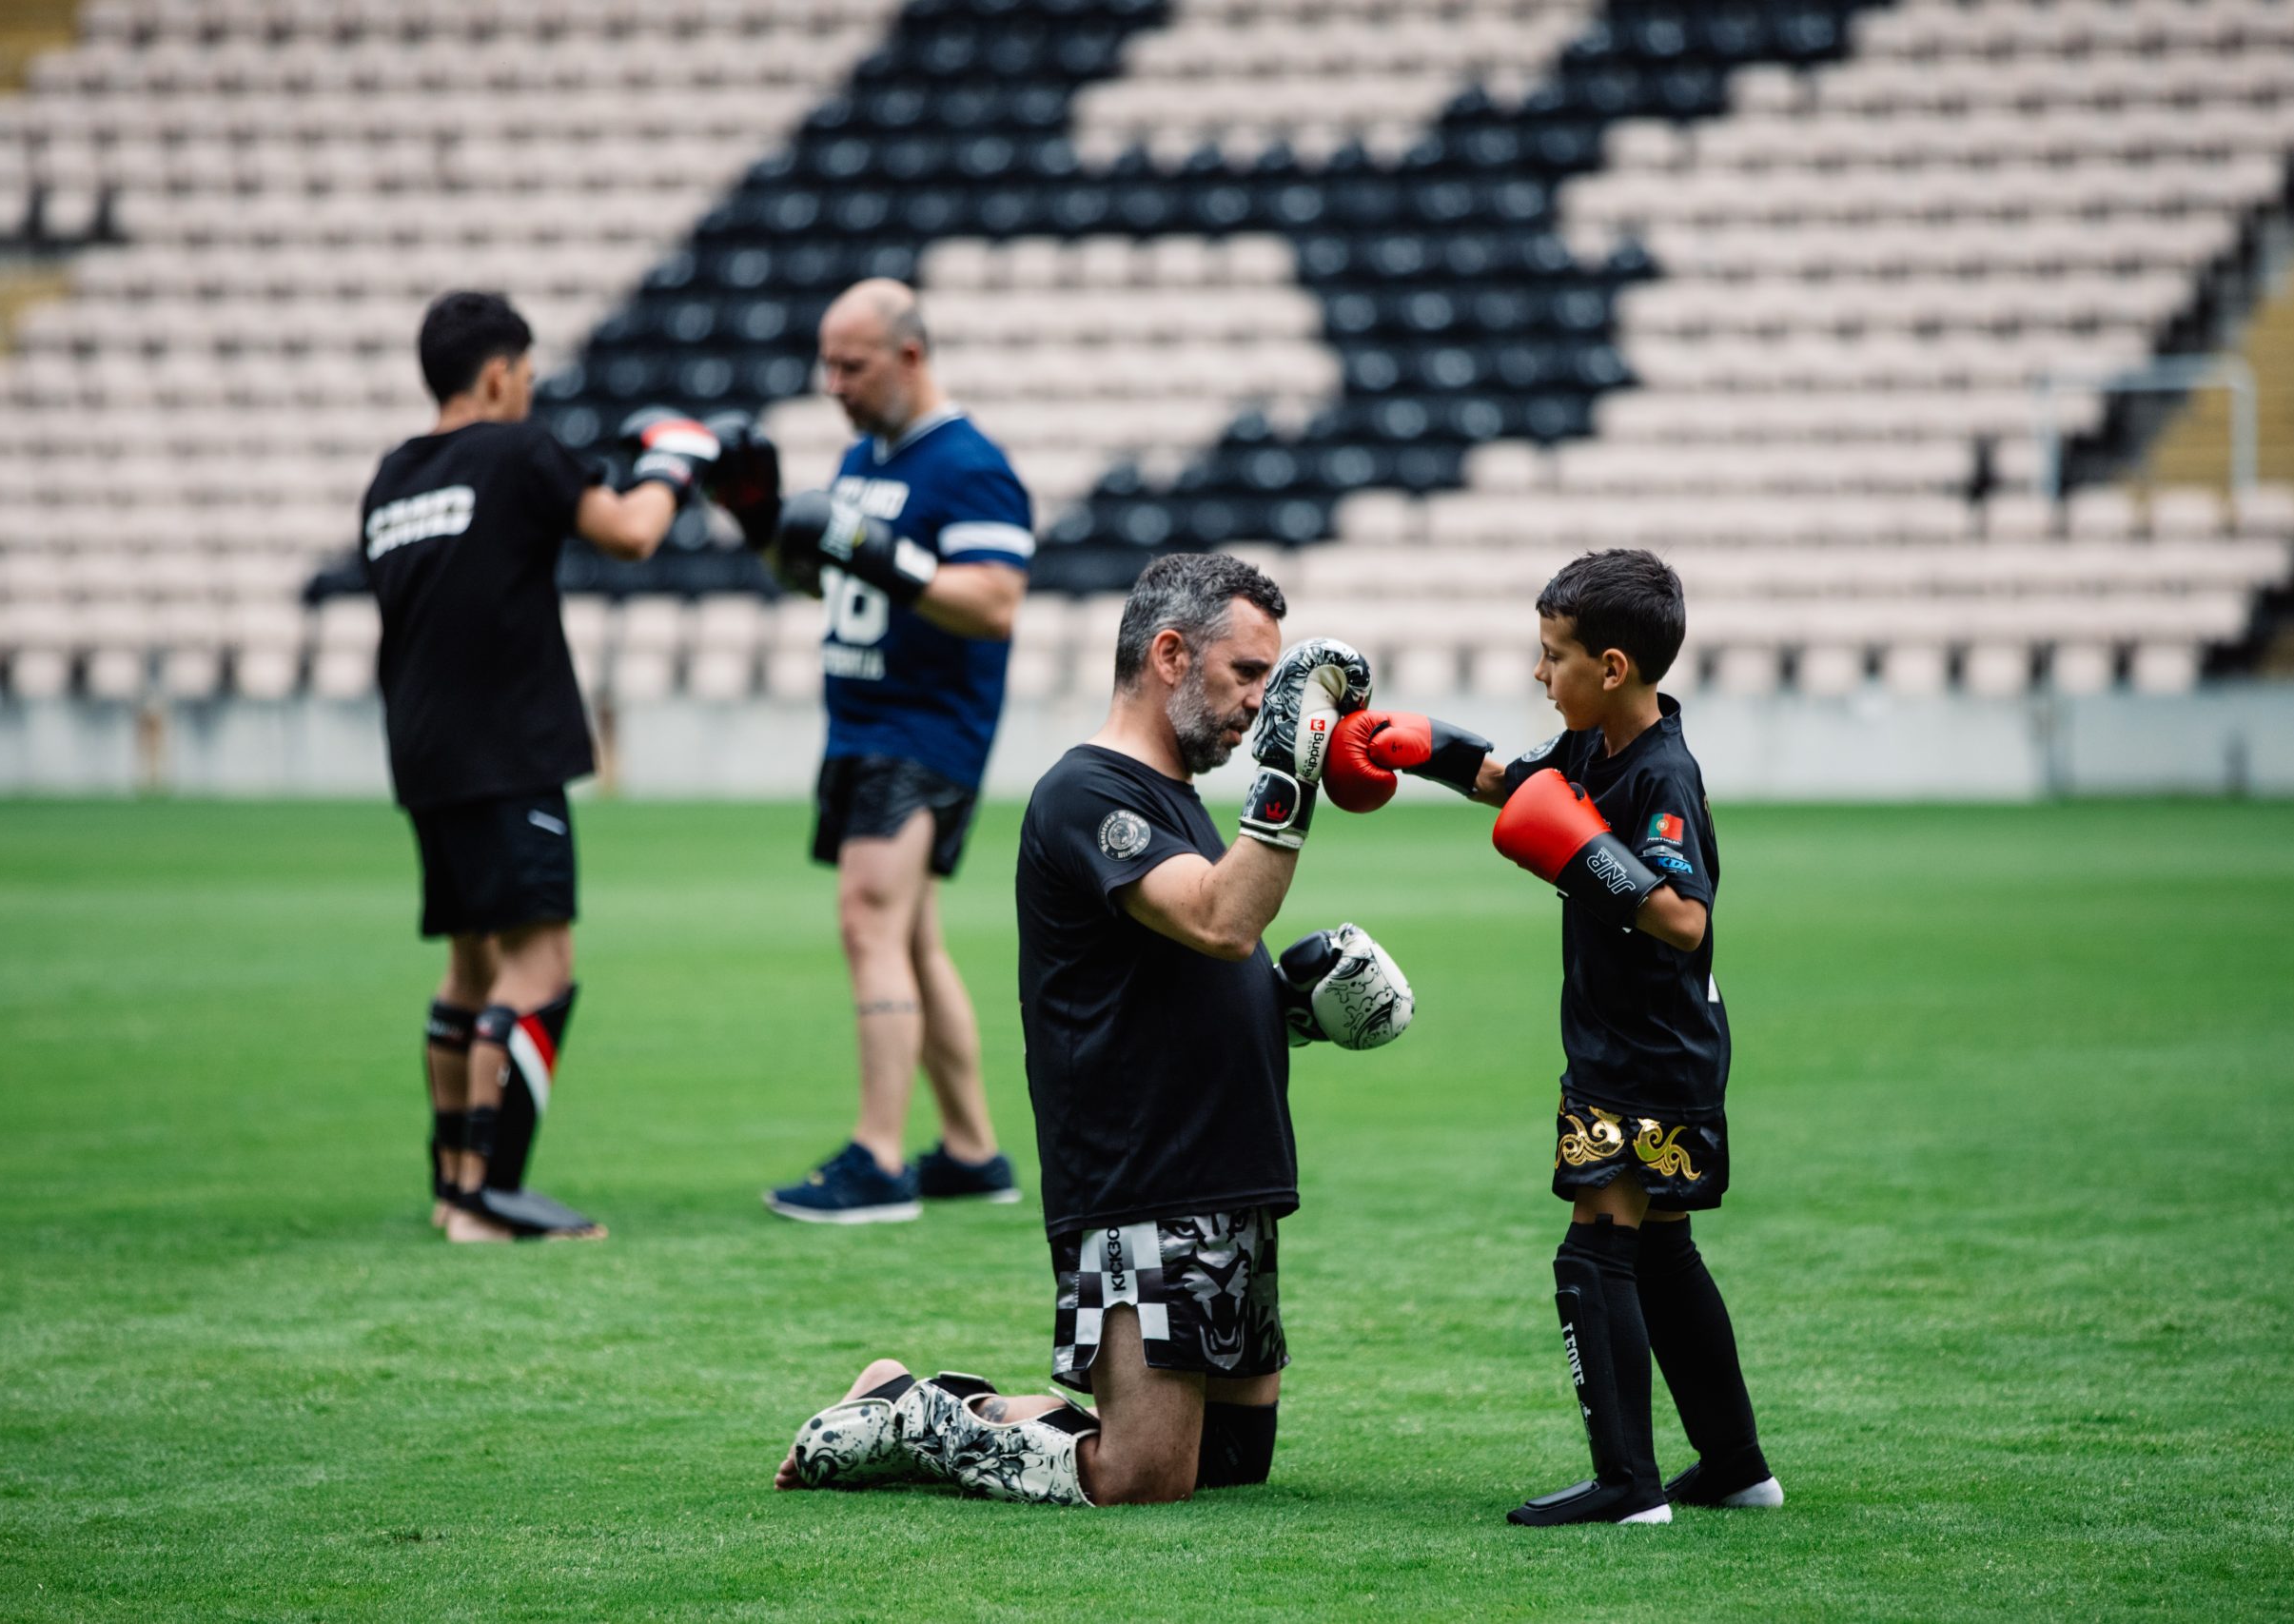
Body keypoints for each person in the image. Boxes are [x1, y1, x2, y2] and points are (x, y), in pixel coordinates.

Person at [771, 553, 1413, 1504]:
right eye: (1246, 676)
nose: (1257, 705)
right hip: (1142, 1183)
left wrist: (1294, 1004)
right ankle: (911, 1411)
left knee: (1229, 1464)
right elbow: (1216, 919)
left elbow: (1191, 970)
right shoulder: (1085, 793)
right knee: (1140, 1474)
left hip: (1229, 1175)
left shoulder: (1180, 807)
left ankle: (937, 1405)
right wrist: (1293, 768)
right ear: (1167, 654)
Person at [1323, 547, 1779, 1525]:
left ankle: (1626, 1484)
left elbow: (1682, 918)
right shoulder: (1593, 746)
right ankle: (1736, 1466)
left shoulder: (1658, 771)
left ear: (1611, 668)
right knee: (1660, 1252)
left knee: (1593, 1251)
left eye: (1553, 656)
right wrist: (1424, 746)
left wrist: (1580, 860)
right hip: (1652, 1045)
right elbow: (1513, 786)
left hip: (1645, 1056)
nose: (1539, 673)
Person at [362, 290, 727, 1242]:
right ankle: (495, 1196)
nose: (527, 390)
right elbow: (632, 531)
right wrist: (676, 461)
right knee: (540, 962)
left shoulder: (393, 478)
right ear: (495, 375)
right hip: (507, 749)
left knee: (470, 966)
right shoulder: (516, 450)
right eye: (523, 374)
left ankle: (452, 1185)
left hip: (423, 751)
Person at [762, 279, 1034, 1224]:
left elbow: (995, 601)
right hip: (863, 723)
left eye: (852, 364)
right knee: (910, 939)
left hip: (922, 729)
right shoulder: (859, 456)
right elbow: (830, 579)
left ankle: (877, 1160)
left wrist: (875, 550)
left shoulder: (969, 465)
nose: (831, 383)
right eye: (826, 364)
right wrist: (766, 525)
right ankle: (972, 1152)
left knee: (866, 922)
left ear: (909, 357)